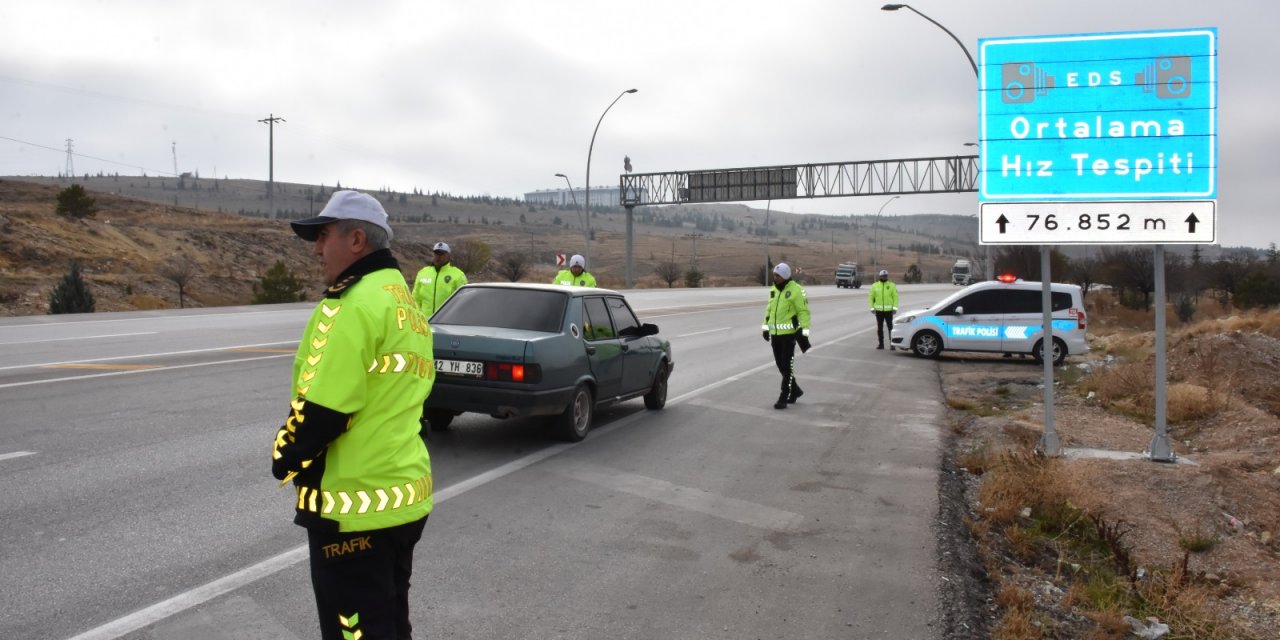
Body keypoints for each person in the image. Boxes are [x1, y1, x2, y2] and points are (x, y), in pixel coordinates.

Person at [271, 190, 435, 640]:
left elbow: (325, 410)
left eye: (323, 236)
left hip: (354, 511)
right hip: (403, 498)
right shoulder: (405, 306)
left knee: (356, 633)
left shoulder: (351, 305)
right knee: (389, 623)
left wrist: (283, 457)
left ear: (357, 239)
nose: (317, 249)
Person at [762, 263, 811, 410]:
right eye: (774, 275)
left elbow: (804, 312)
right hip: (775, 334)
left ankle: (784, 396)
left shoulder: (796, 290)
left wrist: (804, 331)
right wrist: (765, 327)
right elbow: (769, 309)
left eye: (777, 275)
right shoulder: (773, 289)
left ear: (784, 276)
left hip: (789, 335)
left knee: (787, 366)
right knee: (780, 365)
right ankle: (795, 390)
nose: (774, 277)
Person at [413, 241, 467, 316]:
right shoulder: (422, 273)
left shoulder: (458, 275)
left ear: (448, 256)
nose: (438, 257)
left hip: (446, 322)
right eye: (436, 254)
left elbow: (463, 302)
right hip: (424, 322)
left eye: (442, 254)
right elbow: (415, 299)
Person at [869, 268, 899, 350]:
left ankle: (892, 344)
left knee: (890, 328)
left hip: (889, 311)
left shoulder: (892, 285)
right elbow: (871, 298)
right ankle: (881, 344)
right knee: (880, 328)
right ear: (880, 276)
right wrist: (872, 308)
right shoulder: (875, 286)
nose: (884, 277)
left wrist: (895, 308)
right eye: (883, 276)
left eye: (886, 276)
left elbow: (895, 297)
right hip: (878, 311)